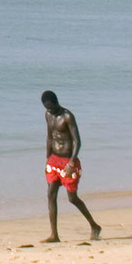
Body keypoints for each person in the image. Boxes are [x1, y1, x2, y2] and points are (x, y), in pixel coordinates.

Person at [41, 90, 101, 242]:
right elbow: (49, 138)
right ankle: (54, 234)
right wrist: (47, 159)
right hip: (54, 160)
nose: (50, 111)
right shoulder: (48, 115)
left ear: (56, 103)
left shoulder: (67, 116)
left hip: (68, 161)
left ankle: (94, 226)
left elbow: (77, 141)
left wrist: (72, 162)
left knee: (72, 198)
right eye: (47, 108)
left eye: (52, 108)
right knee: (51, 194)